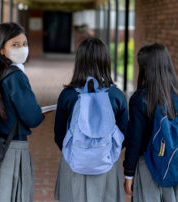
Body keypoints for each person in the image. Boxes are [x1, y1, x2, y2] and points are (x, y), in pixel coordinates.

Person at [54, 37, 128, 202]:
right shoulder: (116, 96)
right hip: (106, 163)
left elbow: (59, 135)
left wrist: (78, 152)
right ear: (105, 61)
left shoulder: (67, 95)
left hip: (74, 163)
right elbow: (124, 135)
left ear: (79, 62)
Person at [0, 22, 44, 202]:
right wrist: (40, 113)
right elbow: (32, 117)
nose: (22, 49)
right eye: (15, 44)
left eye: (25, 44)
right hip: (12, 148)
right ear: (1, 49)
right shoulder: (16, 76)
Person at [123, 43, 178, 201]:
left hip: (149, 168)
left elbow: (135, 141)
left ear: (147, 68)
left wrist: (129, 174)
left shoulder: (140, 99)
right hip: (176, 165)